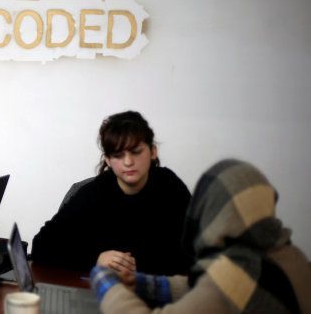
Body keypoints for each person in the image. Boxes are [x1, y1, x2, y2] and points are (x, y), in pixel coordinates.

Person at [90, 159, 311, 313]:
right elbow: (206, 285)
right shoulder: (291, 256)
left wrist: (105, 281)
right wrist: (141, 283)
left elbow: (221, 290)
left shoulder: (240, 277)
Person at [32, 111, 192, 274]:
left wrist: (141, 269)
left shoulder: (171, 187)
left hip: (157, 293)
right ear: (108, 160)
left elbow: (197, 253)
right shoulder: (92, 193)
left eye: (136, 151)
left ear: (153, 151)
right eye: (118, 155)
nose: (128, 162)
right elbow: (41, 247)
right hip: (103, 291)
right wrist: (96, 260)